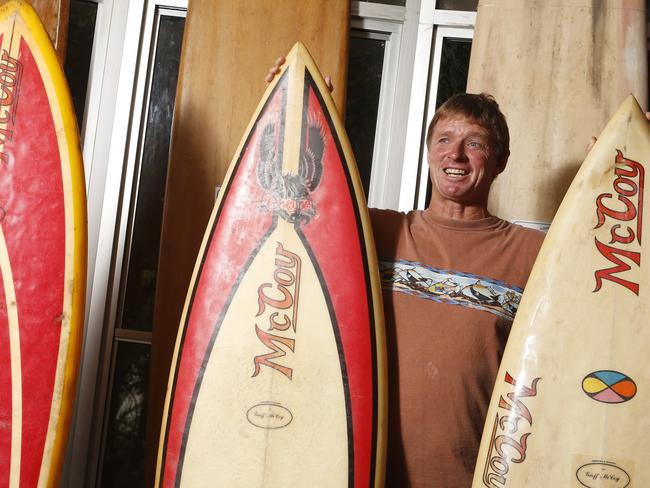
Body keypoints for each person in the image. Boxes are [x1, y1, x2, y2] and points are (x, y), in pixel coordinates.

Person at [266, 62, 545, 486]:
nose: (455, 154)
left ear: (501, 160)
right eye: (445, 140)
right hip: (353, 469)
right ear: (429, 152)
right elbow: (285, 205)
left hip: (465, 478)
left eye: (475, 143)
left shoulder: (533, 252)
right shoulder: (375, 231)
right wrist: (289, 112)